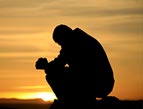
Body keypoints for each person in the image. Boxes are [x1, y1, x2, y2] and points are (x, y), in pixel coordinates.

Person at [35, 24, 115, 109]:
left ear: (64, 38)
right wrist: (48, 66)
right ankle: (76, 100)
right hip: (101, 82)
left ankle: (69, 102)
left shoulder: (74, 42)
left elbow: (59, 64)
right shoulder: (79, 39)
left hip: (99, 84)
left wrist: (46, 66)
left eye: (60, 43)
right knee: (58, 72)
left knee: (52, 76)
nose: (61, 47)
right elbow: (60, 63)